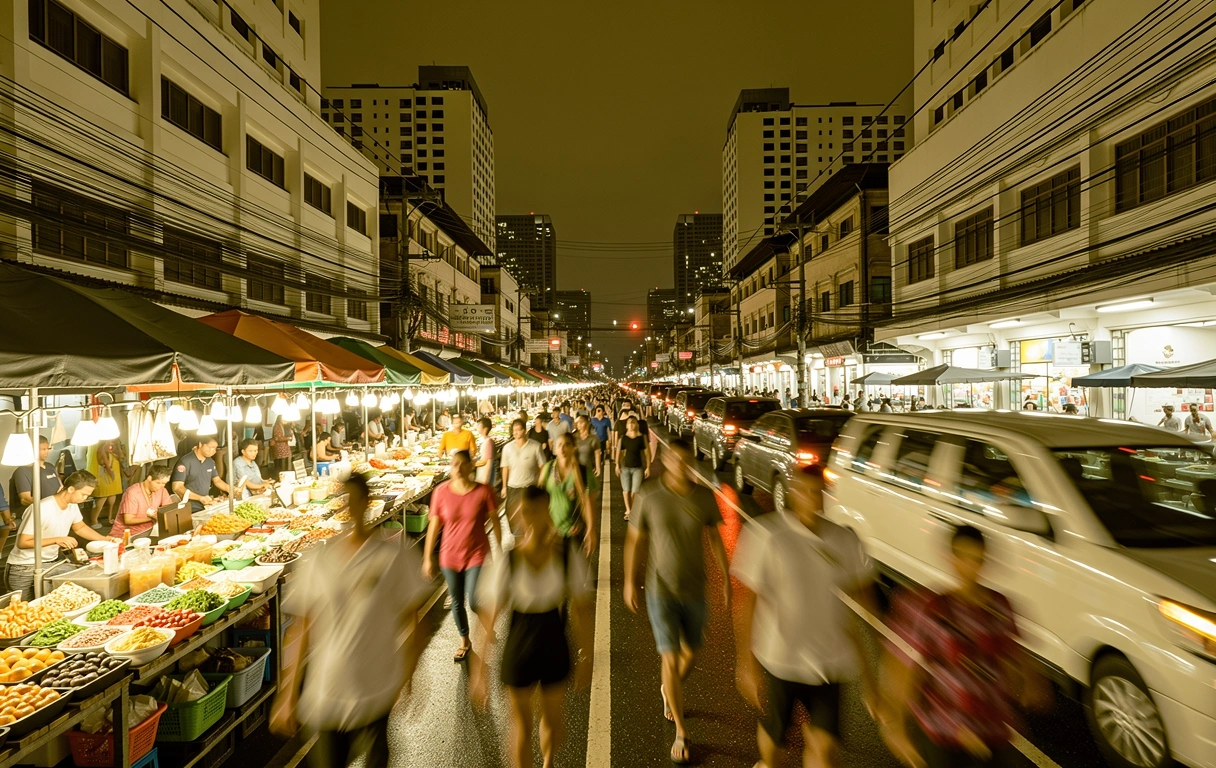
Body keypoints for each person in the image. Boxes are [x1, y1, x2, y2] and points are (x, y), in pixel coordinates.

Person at [272, 473, 428, 767]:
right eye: (346, 500)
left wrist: (409, 676)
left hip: (377, 685)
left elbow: (414, 620)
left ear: (367, 503)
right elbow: (299, 628)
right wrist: (288, 694)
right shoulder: (319, 558)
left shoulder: (394, 553)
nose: (351, 507)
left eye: (357, 500)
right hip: (328, 689)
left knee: (378, 759)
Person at [734, 464, 878, 768]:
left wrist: (875, 664)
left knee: (825, 751)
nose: (812, 498)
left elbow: (864, 596)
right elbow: (748, 603)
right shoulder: (767, 535)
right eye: (804, 491)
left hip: (829, 661)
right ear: (792, 493)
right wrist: (745, 663)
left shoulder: (843, 540)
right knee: (775, 740)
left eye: (818, 492)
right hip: (780, 658)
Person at [881, 525, 1048, 768]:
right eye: (965, 558)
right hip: (945, 729)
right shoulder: (931, 609)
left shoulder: (1000, 605)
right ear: (952, 558)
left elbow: (1013, 650)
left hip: (992, 726)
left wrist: (1033, 681)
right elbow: (904, 668)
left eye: (978, 559)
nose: (972, 566)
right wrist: (895, 725)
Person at [624, 439, 731, 765]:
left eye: (688, 462)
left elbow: (714, 537)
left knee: (690, 654)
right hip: (661, 590)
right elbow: (635, 540)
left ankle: (668, 690)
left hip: (695, 589)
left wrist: (726, 578)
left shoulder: (703, 497)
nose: (682, 467)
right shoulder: (649, 495)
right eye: (676, 461)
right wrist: (630, 579)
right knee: (669, 658)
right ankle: (681, 731)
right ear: (666, 462)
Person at [472, 486, 594, 768]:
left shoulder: (566, 555)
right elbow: (490, 614)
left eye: (537, 512)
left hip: (553, 640)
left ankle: (548, 762)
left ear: (548, 513)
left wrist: (586, 654)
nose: (531, 519)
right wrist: (479, 669)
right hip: (519, 643)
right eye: (526, 513)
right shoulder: (509, 559)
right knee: (520, 726)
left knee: (553, 722)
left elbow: (581, 608)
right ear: (519, 516)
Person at [423, 451, 501, 661]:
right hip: (449, 556)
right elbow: (434, 526)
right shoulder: (440, 492)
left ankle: (486, 623)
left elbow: (495, 520)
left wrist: (499, 548)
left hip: (476, 552)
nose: (457, 468)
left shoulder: (484, 491)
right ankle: (465, 640)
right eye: (454, 464)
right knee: (457, 601)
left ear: (470, 466)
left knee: (474, 599)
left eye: (461, 464)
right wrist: (427, 558)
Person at [5, 471, 117, 600]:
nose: (85, 498)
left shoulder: (72, 506)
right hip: (23, 567)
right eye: (83, 494)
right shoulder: (42, 508)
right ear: (70, 489)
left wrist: (105, 539)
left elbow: (80, 527)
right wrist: (57, 540)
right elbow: (23, 542)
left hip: (49, 563)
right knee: (23, 609)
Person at [541, 434, 596, 556]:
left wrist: (590, 529)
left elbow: (588, 502)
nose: (562, 448)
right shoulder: (548, 469)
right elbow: (539, 498)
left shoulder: (583, 472)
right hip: (551, 531)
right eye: (559, 445)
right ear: (555, 449)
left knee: (574, 571)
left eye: (567, 445)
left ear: (573, 448)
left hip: (574, 531)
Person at [500, 419, 547, 528]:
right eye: (514, 430)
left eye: (518, 430)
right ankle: (518, 538)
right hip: (513, 487)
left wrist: (540, 483)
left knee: (531, 515)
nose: (515, 433)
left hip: (530, 486)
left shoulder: (535, 446)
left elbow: (542, 467)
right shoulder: (507, 448)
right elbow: (505, 468)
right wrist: (504, 487)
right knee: (513, 515)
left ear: (524, 431)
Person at [110, 465, 173, 539]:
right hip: (127, 535)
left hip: (148, 532)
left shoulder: (162, 490)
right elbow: (128, 520)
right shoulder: (132, 493)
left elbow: (169, 508)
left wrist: (162, 513)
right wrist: (153, 518)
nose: (162, 486)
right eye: (158, 483)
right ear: (149, 478)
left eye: (165, 483)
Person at [171, 437, 231, 512]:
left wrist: (231, 489)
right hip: (188, 508)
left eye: (215, 448)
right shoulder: (185, 461)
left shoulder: (210, 462)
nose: (214, 451)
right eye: (211, 447)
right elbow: (177, 487)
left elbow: (217, 481)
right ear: (200, 444)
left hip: (205, 506)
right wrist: (200, 498)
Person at [10, 436, 62, 510]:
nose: (47, 452)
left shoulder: (50, 467)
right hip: (32, 515)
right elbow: (25, 499)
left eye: (48, 449)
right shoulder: (23, 471)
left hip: (54, 512)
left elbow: (61, 487)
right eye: (43, 449)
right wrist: (48, 507)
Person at [616, 416, 650, 520]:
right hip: (625, 467)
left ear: (637, 425)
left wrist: (648, 467)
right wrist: (617, 465)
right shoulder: (623, 438)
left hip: (638, 468)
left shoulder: (642, 437)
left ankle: (635, 510)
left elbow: (647, 453)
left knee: (635, 491)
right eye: (629, 423)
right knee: (626, 490)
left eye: (633, 422)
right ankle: (628, 510)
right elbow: (619, 452)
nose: (631, 425)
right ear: (626, 425)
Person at [87, 440, 124, 529]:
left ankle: (109, 518)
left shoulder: (110, 450)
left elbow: (122, 457)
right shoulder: (100, 449)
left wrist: (118, 448)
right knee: (102, 497)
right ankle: (94, 520)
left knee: (112, 497)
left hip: (112, 477)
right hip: (105, 476)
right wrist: (111, 473)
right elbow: (106, 464)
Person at [572, 415, 603, 504]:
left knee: (588, 493)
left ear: (587, 423)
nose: (579, 425)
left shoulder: (593, 438)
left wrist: (598, 468)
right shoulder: (573, 437)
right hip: (576, 469)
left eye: (581, 422)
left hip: (588, 468)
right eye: (577, 423)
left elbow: (597, 453)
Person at [475, 417, 496, 486]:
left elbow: (488, 463)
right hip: (481, 476)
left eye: (479, 425)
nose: (477, 426)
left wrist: (485, 482)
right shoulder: (484, 441)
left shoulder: (488, 443)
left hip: (485, 478)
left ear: (485, 429)